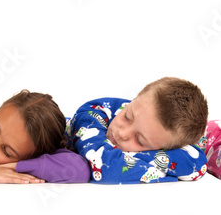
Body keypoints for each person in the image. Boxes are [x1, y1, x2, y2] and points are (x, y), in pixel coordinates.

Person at [66, 77, 209, 183]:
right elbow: (108, 169)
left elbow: (198, 165)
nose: (122, 133)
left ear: (165, 149)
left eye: (139, 140)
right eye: (127, 116)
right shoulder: (94, 111)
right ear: (133, 100)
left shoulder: (159, 134)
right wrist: (159, 170)